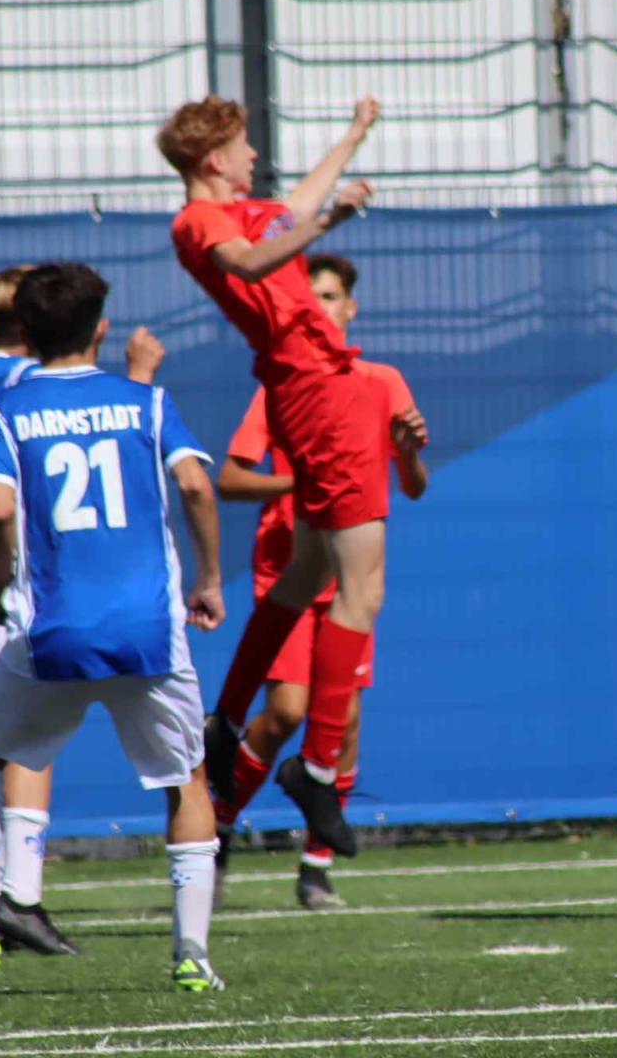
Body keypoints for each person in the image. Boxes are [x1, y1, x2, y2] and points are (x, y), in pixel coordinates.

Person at [0, 263, 226, 994]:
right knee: (186, 779)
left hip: (53, 632)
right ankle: (192, 955)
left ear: (27, 333)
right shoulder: (146, 401)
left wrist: (2, 583)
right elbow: (195, 483)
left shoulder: (6, 408)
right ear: (101, 328)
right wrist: (210, 578)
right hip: (148, 632)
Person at [165, 94, 386, 858]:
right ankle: (317, 769)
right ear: (213, 159)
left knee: (308, 575)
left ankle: (225, 723)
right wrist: (331, 225)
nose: (253, 155)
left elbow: (295, 208)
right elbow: (250, 259)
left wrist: (353, 135)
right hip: (318, 393)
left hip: (316, 389)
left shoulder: (246, 211)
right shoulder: (201, 221)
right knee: (362, 589)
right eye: (243, 145)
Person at [212, 254, 429, 910]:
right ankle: (218, 827)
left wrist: (408, 452)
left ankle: (316, 864)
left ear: (351, 307)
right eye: (311, 300)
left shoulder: (380, 380)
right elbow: (230, 479)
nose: (321, 309)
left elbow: (414, 485)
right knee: (285, 713)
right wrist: (298, 482)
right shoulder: (286, 384)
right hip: (291, 567)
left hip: (343, 573)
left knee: (346, 718)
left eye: (331, 297)